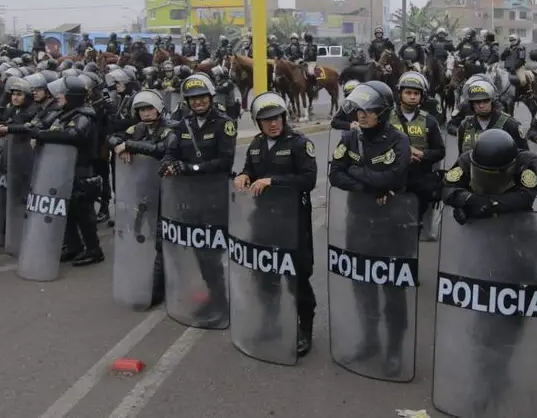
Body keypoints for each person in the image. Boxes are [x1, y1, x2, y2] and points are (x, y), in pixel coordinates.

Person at [328, 80, 410, 376]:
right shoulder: (350, 139)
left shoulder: (398, 139)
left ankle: (394, 350)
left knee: (393, 291)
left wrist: (357, 172)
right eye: (359, 110)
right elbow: (335, 175)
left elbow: (394, 177)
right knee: (362, 286)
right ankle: (370, 340)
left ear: (384, 112)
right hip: (359, 223)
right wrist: (368, 183)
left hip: (392, 227)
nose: (362, 116)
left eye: (370, 110)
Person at [234, 92, 318, 356]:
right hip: (263, 221)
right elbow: (249, 168)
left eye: (277, 118)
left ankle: (304, 329)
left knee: (298, 278)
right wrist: (244, 176)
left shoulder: (299, 143)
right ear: (258, 123)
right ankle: (270, 323)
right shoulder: (257, 144)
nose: (273, 124)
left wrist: (274, 181)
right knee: (265, 276)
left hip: (293, 222)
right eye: (267, 120)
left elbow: (308, 180)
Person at [161, 73, 237, 326]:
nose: (197, 103)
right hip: (189, 199)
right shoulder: (183, 125)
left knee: (211, 254)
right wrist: (169, 166)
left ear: (210, 98)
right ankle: (215, 297)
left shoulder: (225, 124)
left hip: (215, 198)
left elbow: (225, 162)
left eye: (202, 97)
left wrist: (190, 169)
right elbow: (170, 152)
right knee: (198, 252)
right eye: (193, 99)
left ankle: (222, 304)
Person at [108, 90, 176, 305]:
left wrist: (130, 145)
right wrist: (119, 146)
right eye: (142, 110)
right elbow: (113, 136)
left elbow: (161, 149)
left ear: (158, 108)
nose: (145, 114)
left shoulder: (170, 129)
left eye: (149, 109)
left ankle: (158, 288)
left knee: (161, 241)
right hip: (141, 192)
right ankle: (143, 279)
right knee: (141, 235)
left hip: (165, 192)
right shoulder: (135, 128)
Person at [30, 76, 105, 266]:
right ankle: (74, 246)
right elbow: (41, 124)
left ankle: (93, 249)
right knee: (67, 210)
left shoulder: (84, 115)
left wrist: (42, 135)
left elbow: (74, 134)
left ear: (72, 96)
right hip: (64, 168)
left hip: (81, 169)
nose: (59, 97)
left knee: (83, 212)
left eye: (63, 94)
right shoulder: (66, 112)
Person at [443, 128, 537, 221]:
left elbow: (525, 198)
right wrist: (469, 199)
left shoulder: (526, 162)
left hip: (513, 218)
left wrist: (488, 203)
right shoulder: (466, 160)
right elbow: (448, 188)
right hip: (476, 220)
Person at [390, 72, 446, 224]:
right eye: (408, 92)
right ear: (400, 93)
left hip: (419, 179)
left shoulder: (430, 121)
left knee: (414, 223)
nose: (412, 96)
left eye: (416, 93)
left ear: (422, 96)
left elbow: (440, 151)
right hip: (391, 179)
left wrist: (422, 155)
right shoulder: (386, 118)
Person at [455, 78, 527, 153]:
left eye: (486, 101)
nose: (481, 105)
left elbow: (524, 154)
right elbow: (461, 156)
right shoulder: (465, 125)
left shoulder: (510, 124)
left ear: (492, 101)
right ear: (471, 104)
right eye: (477, 102)